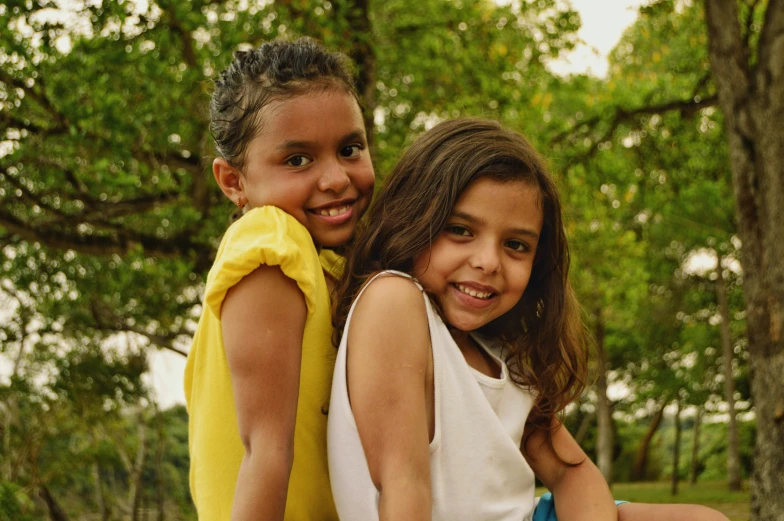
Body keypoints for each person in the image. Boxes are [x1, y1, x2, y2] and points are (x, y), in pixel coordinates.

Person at [327, 118, 728, 521]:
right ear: (411, 220)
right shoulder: (393, 300)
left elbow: (573, 475)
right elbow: (402, 486)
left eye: (516, 245)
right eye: (461, 230)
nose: (487, 262)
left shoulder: (501, 351)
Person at [184, 38, 374, 521]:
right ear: (233, 182)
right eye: (297, 160)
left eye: (350, 149)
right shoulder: (270, 243)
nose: (335, 178)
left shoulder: (328, 261)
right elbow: (264, 451)